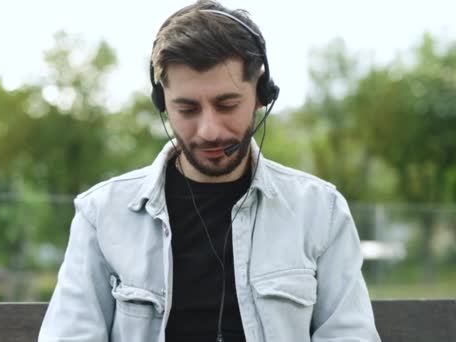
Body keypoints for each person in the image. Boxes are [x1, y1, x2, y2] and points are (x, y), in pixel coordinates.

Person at [39, 1, 381, 341]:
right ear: (162, 102)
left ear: (262, 95)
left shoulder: (321, 211)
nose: (208, 130)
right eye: (186, 108)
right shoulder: (102, 214)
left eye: (227, 105)